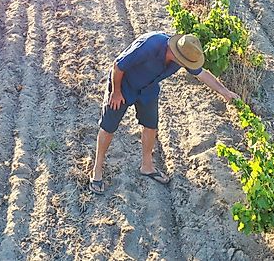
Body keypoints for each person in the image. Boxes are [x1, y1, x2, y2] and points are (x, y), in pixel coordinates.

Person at [89, 31, 239, 195]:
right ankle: (97, 170)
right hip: (124, 85)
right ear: (174, 52)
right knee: (109, 127)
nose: (184, 65)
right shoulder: (151, 45)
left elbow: (202, 74)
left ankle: (147, 166)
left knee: (151, 126)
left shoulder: (185, 53)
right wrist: (116, 92)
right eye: (182, 62)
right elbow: (118, 66)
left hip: (148, 88)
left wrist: (224, 91)